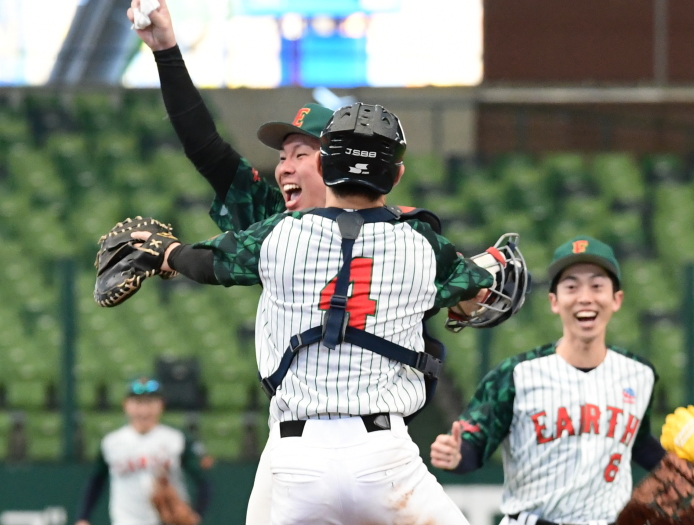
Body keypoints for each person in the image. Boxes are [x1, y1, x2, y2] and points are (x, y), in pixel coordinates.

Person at [125, 3, 442, 523]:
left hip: (379, 428)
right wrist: (166, 53)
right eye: (283, 155)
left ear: (338, 160)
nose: (285, 167)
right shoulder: (273, 221)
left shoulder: (398, 232)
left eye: (301, 153)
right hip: (296, 431)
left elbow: (450, 282)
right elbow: (208, 150)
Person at [131, 102, 495, 524]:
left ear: (325, 166)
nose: (287, 165)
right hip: (383, 454)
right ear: (396, 175)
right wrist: (485, 283)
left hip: (296, 455)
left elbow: (207, 264)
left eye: (302, 155)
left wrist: (166, 252)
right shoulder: (423, 242)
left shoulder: (278, 232)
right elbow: (480, 291)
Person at [430, 236, 667, 525]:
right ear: (554, 301)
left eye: (597, 286)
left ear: (616, 299)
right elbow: (474, 442)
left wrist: (676, 468)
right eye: (571, 287)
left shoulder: (639, 375)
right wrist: (457, 455)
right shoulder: (517, 374)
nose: (585, 297)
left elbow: (636, 440)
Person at [75, 378, 210, 525]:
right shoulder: (111, 442)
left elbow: (203, 481)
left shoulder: (176, 439)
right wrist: (84, 517)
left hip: (166, 521)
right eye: (138, 403)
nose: (144, 410)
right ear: (126, 404)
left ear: (161, 404)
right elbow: (96, 482)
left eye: (150, 402)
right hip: (126, 520)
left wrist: (197, 513)